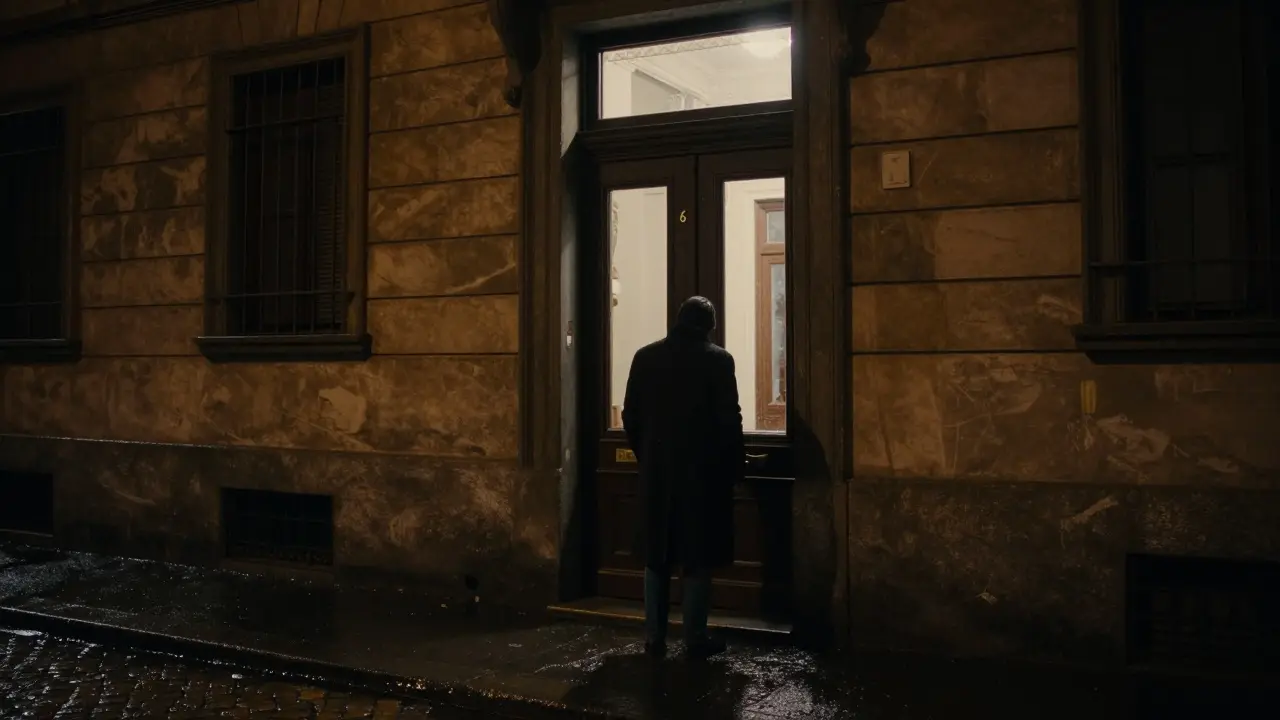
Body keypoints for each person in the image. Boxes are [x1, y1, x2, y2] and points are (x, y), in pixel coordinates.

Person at [622, 295, 745, 659]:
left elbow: (631, 416)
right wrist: (734, 466)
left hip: (658, 475)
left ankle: (654, 638)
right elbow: (729, 420)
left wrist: (649, 456)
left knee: (656, 558)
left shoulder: (645, 357)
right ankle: (694, 637)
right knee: (698, 557)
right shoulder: (719, 361)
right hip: (702, 477)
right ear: (709, 325)